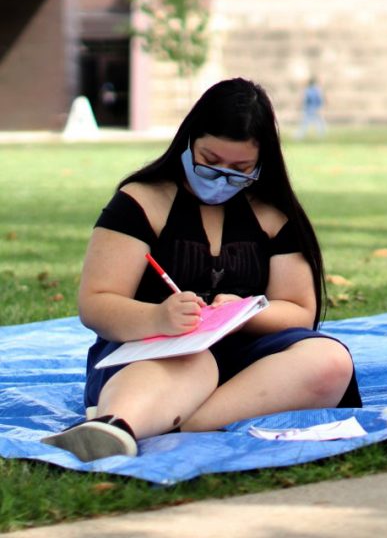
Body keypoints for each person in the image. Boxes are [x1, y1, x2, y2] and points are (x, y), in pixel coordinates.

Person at [42, 78, 361, 463]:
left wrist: (244, 313)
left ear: (262, 163)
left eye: (241, 168)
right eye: (209, 162)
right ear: (189, 140)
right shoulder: (142, 201)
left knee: (330, 361)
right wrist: (158, 316)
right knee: (193, 360)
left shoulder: (274, 214)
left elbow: (299, 311)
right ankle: (119, 423)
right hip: (156, 355)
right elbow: (96, 303)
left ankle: (166, 423)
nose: (222, 177)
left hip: (250, 361)